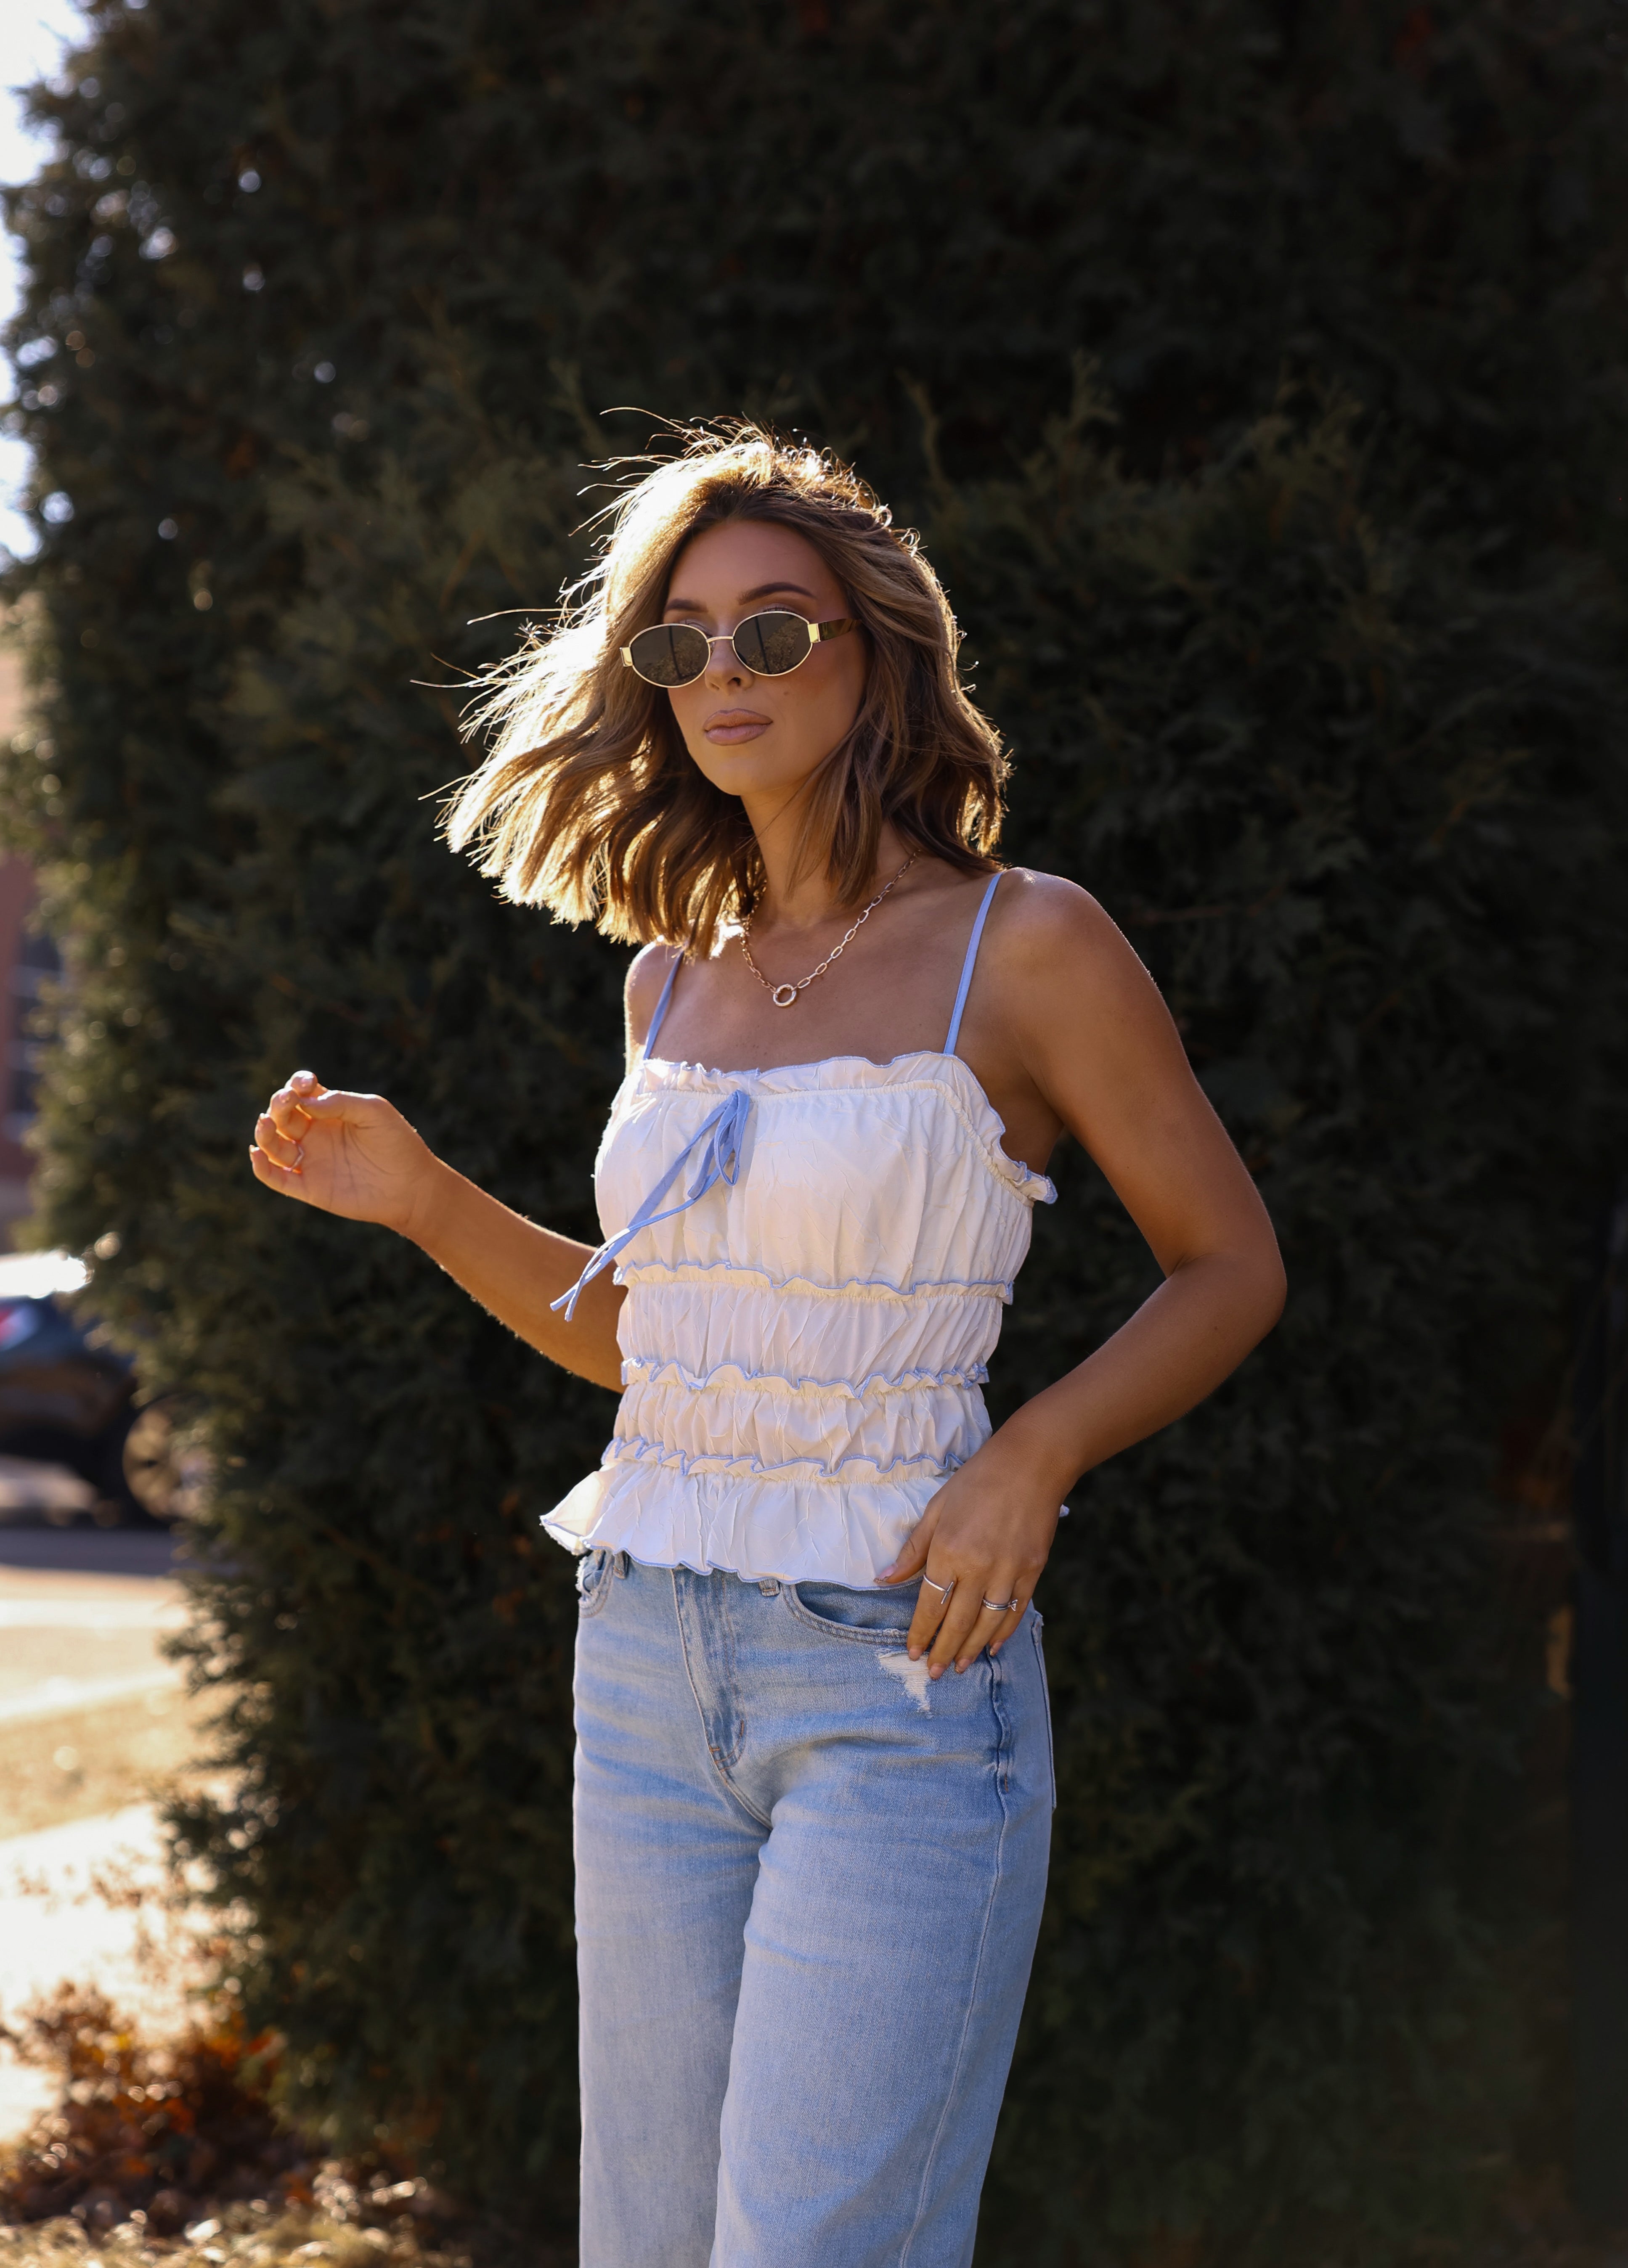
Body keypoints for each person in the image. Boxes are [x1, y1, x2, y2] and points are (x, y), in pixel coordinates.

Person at [248, 425, 1286, 2268]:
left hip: (897, 1669)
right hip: (645, 1649)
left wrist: (1025, 1457)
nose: (721, 672)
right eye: (681, 641)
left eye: (773, 632)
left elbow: (1226, 1264)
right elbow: (656, 1344)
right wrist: (420, 1197)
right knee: (650, 2244)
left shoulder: (1023, 946)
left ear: (876, 649)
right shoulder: (669, 969)